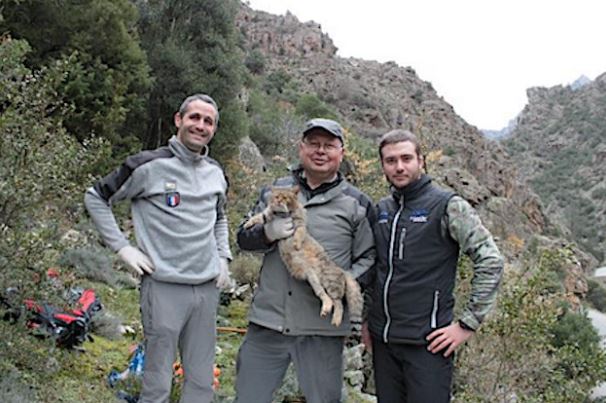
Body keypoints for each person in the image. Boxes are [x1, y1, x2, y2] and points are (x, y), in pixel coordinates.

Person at [84, 94, 233, 403]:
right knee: (158, 380)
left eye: (208, 121)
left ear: (214, 129)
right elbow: (95, 197)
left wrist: (223, 258)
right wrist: (123, 248)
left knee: (202, 380)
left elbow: (220, 217)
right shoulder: (147, 165)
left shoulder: (216, 172)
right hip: (163, 286)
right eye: (194, 117)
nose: (200, 125)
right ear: (178, 120)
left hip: (206, 289)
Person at [234, 118, 376, 403]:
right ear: (301, 148)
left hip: (321, 330)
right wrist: (266, 234)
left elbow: (370, 258)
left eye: (329, 145)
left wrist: (343, 282)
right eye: (313, 143)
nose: (320, 151)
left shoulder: (357, 203)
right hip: (268, 323)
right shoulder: (273, 191)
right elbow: (242, 238)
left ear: (341, 152)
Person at [363, 129, 504, 403]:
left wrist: (467, 324)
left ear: (421, 161)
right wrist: (368, 319)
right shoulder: (381, 210)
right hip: (384, 343)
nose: (399, 166)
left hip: (428, 345)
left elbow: (490, 259)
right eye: (391, 160)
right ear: (383, 165)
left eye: (406, 158)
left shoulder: (447, 206)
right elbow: (374, 269)